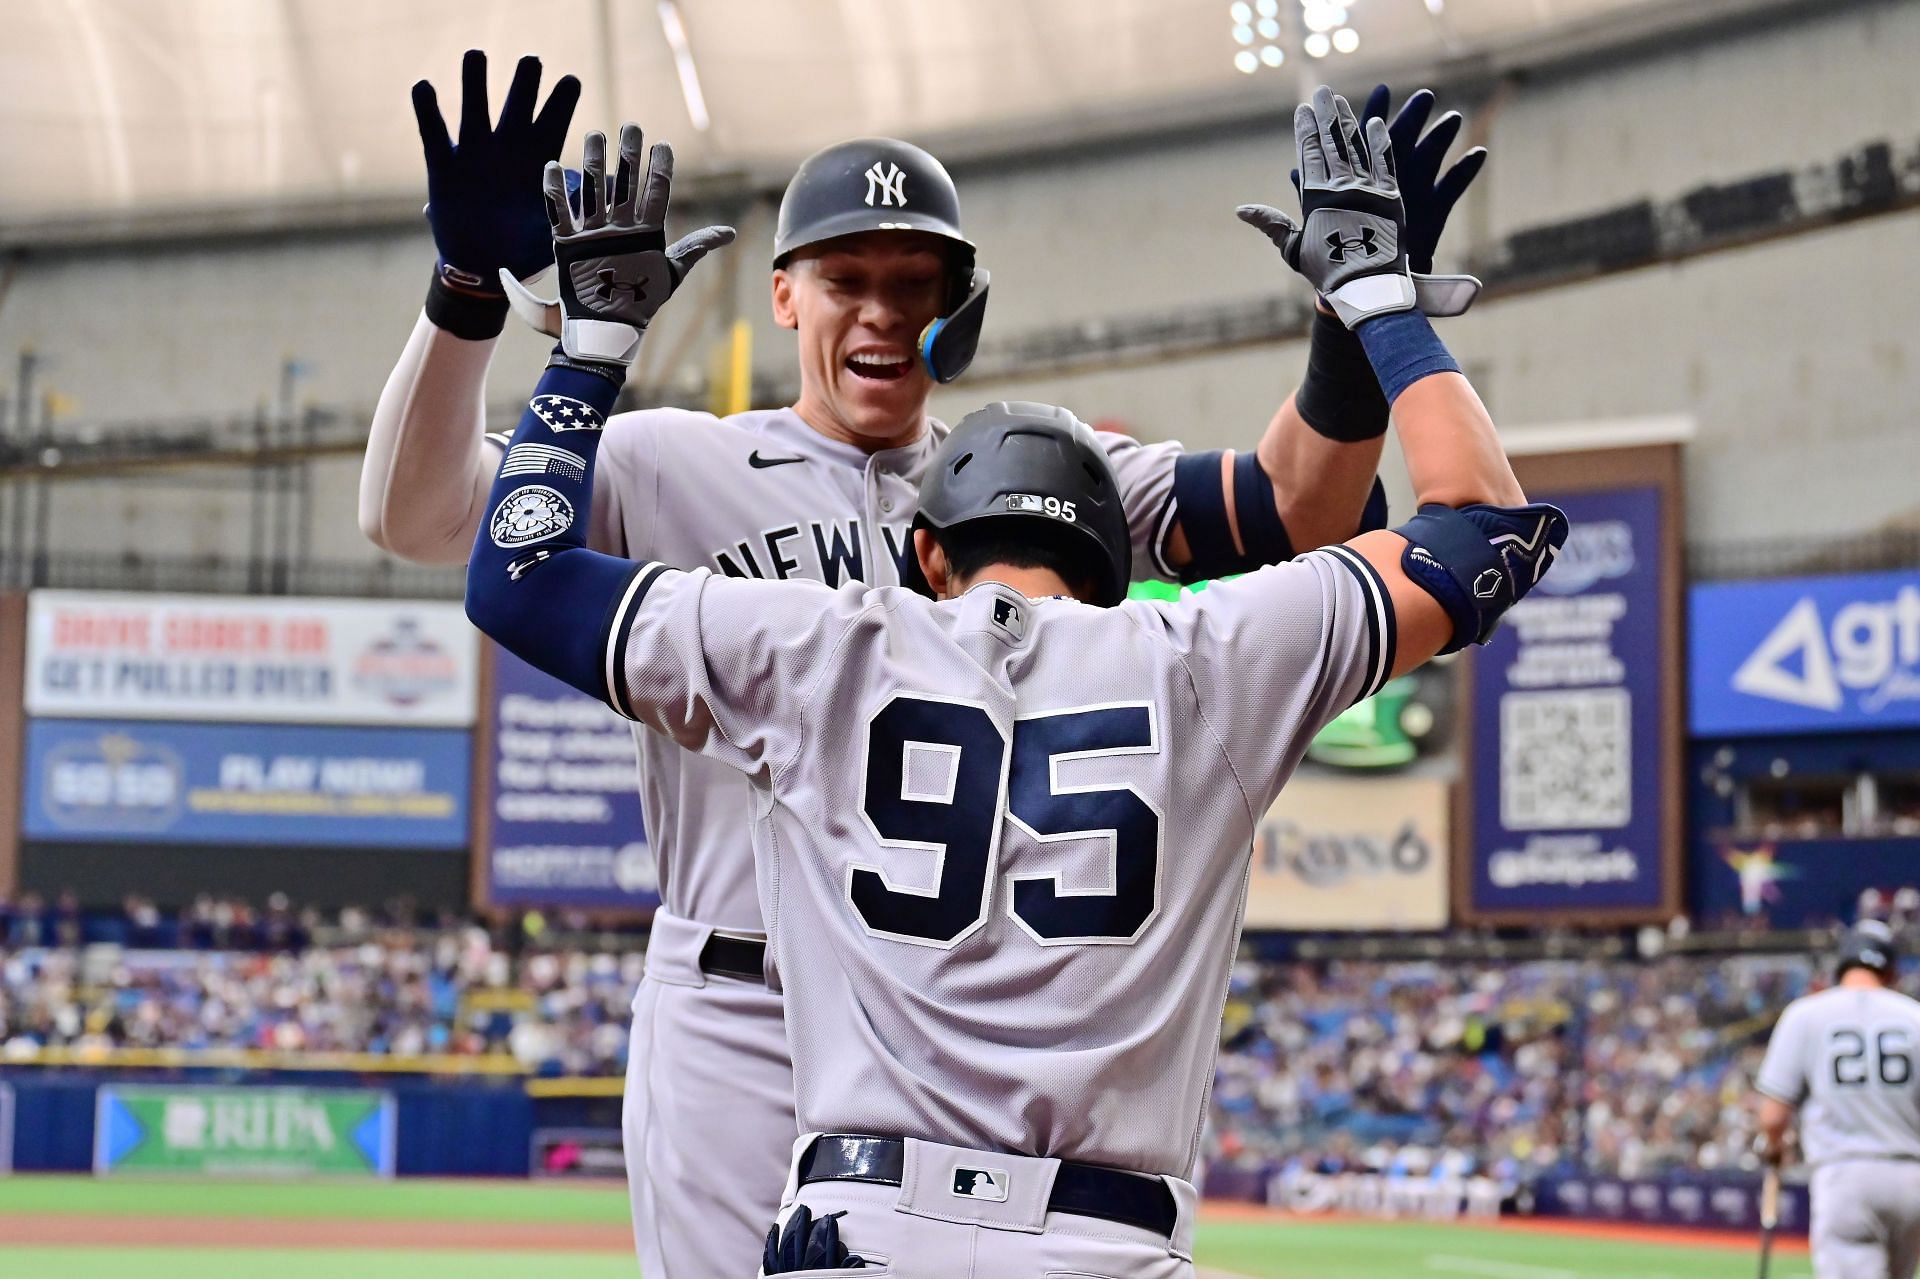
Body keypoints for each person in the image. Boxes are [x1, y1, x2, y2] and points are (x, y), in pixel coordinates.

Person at [366, 51, 1486, 1277]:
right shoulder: (663, 461)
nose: (884, 309)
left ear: (969, 301)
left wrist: (1345, 317)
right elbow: (422, 521)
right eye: (846, 277)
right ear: (783, 296)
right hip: (739, 1002)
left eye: (920, 279)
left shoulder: (1032, 476)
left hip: (966, 1039)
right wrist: (467, 295)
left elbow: (1295, 506)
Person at [1756, 920, 1920, 1279]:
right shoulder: (1915, 1017)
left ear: (1840, 967)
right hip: (1911, 1179)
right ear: (1891, 971)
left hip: (1845, 1174)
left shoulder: (1806, 1014)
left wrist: (1774, 1148)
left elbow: (1772, 1117)